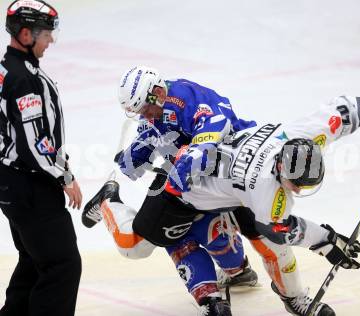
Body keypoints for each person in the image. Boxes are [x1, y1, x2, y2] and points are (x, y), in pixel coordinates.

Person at [173, 95, 360, 315]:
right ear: (279, 167)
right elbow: (278, 229)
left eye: (306, 186)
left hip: (229, 182)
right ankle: (291, 296)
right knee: (276, 247)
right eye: (295, 184)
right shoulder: (264, 187)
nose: (298, 190)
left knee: (271, 243)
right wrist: (326, 240)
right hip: (192, 194)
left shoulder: (305, 136)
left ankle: (290, 294)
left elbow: (348, 108)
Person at [82, 66, 258, 316]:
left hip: (214, 176)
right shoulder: (153, 112)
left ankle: (238, 271)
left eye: (145, 108)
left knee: (229, 230)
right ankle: (212, 297)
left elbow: (217, 125)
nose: (145, 115)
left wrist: (189, 160)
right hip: (183, 183)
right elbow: (141, 150)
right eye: (140, 111)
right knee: (146, 241)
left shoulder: (187, 98)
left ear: (156, 93)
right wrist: (131, 158)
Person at [0, 1, 83, 316]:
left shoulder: (7, 68)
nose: (51, 41)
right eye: (46, 34)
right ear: (25, 34)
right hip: (32, 188)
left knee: (35, 262)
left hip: (13, 186)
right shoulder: (23, 78)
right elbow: (35, 144)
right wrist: (66, 177)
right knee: (62, 266)